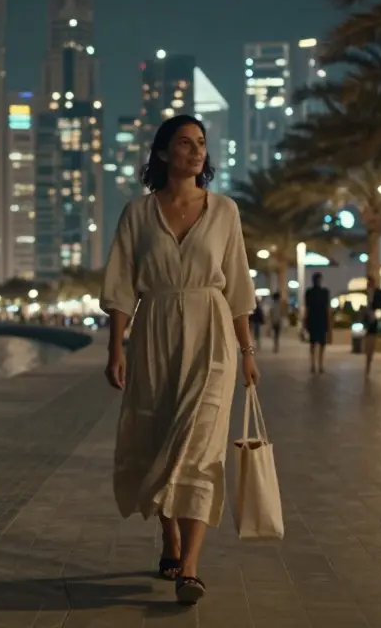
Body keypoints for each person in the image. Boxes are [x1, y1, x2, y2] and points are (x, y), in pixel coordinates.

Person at [100, 114, 259, 607]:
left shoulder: (225, 211)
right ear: (164, 153)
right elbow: (122, 286)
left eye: (201, 144)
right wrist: (115, 348)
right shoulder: (137, 213)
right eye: (185, 143)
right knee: (159, 441)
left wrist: (247, 351)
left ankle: (189, 566)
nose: (195, 151)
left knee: (202, 443)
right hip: (155, 335)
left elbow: (237, 284)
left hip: (212, 334)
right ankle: (168, 538)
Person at [303, 272, 332, 373]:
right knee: (319, 344)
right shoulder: (324, 292)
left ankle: (315, 364)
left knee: (314, 344)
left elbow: (307, 309)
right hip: (320, 320)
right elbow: (328, 309)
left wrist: (304, 322)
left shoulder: (309, 292)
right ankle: (318, 364)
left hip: (313, 320)